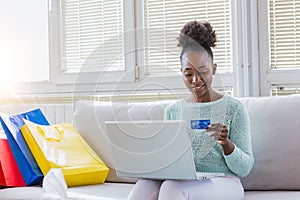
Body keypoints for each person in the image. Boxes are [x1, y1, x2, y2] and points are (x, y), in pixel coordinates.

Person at [127, 20, 254, 200]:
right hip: (185, 179)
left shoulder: (234, 108)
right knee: (144, 185)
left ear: (214, 69)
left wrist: (227, 144)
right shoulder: (173, 111)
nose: (195, 80)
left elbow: (245, 168)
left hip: (225, 182)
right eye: (188, 74)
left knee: (172, 189)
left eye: (203, 71)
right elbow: (168, 159)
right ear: (182, 73)